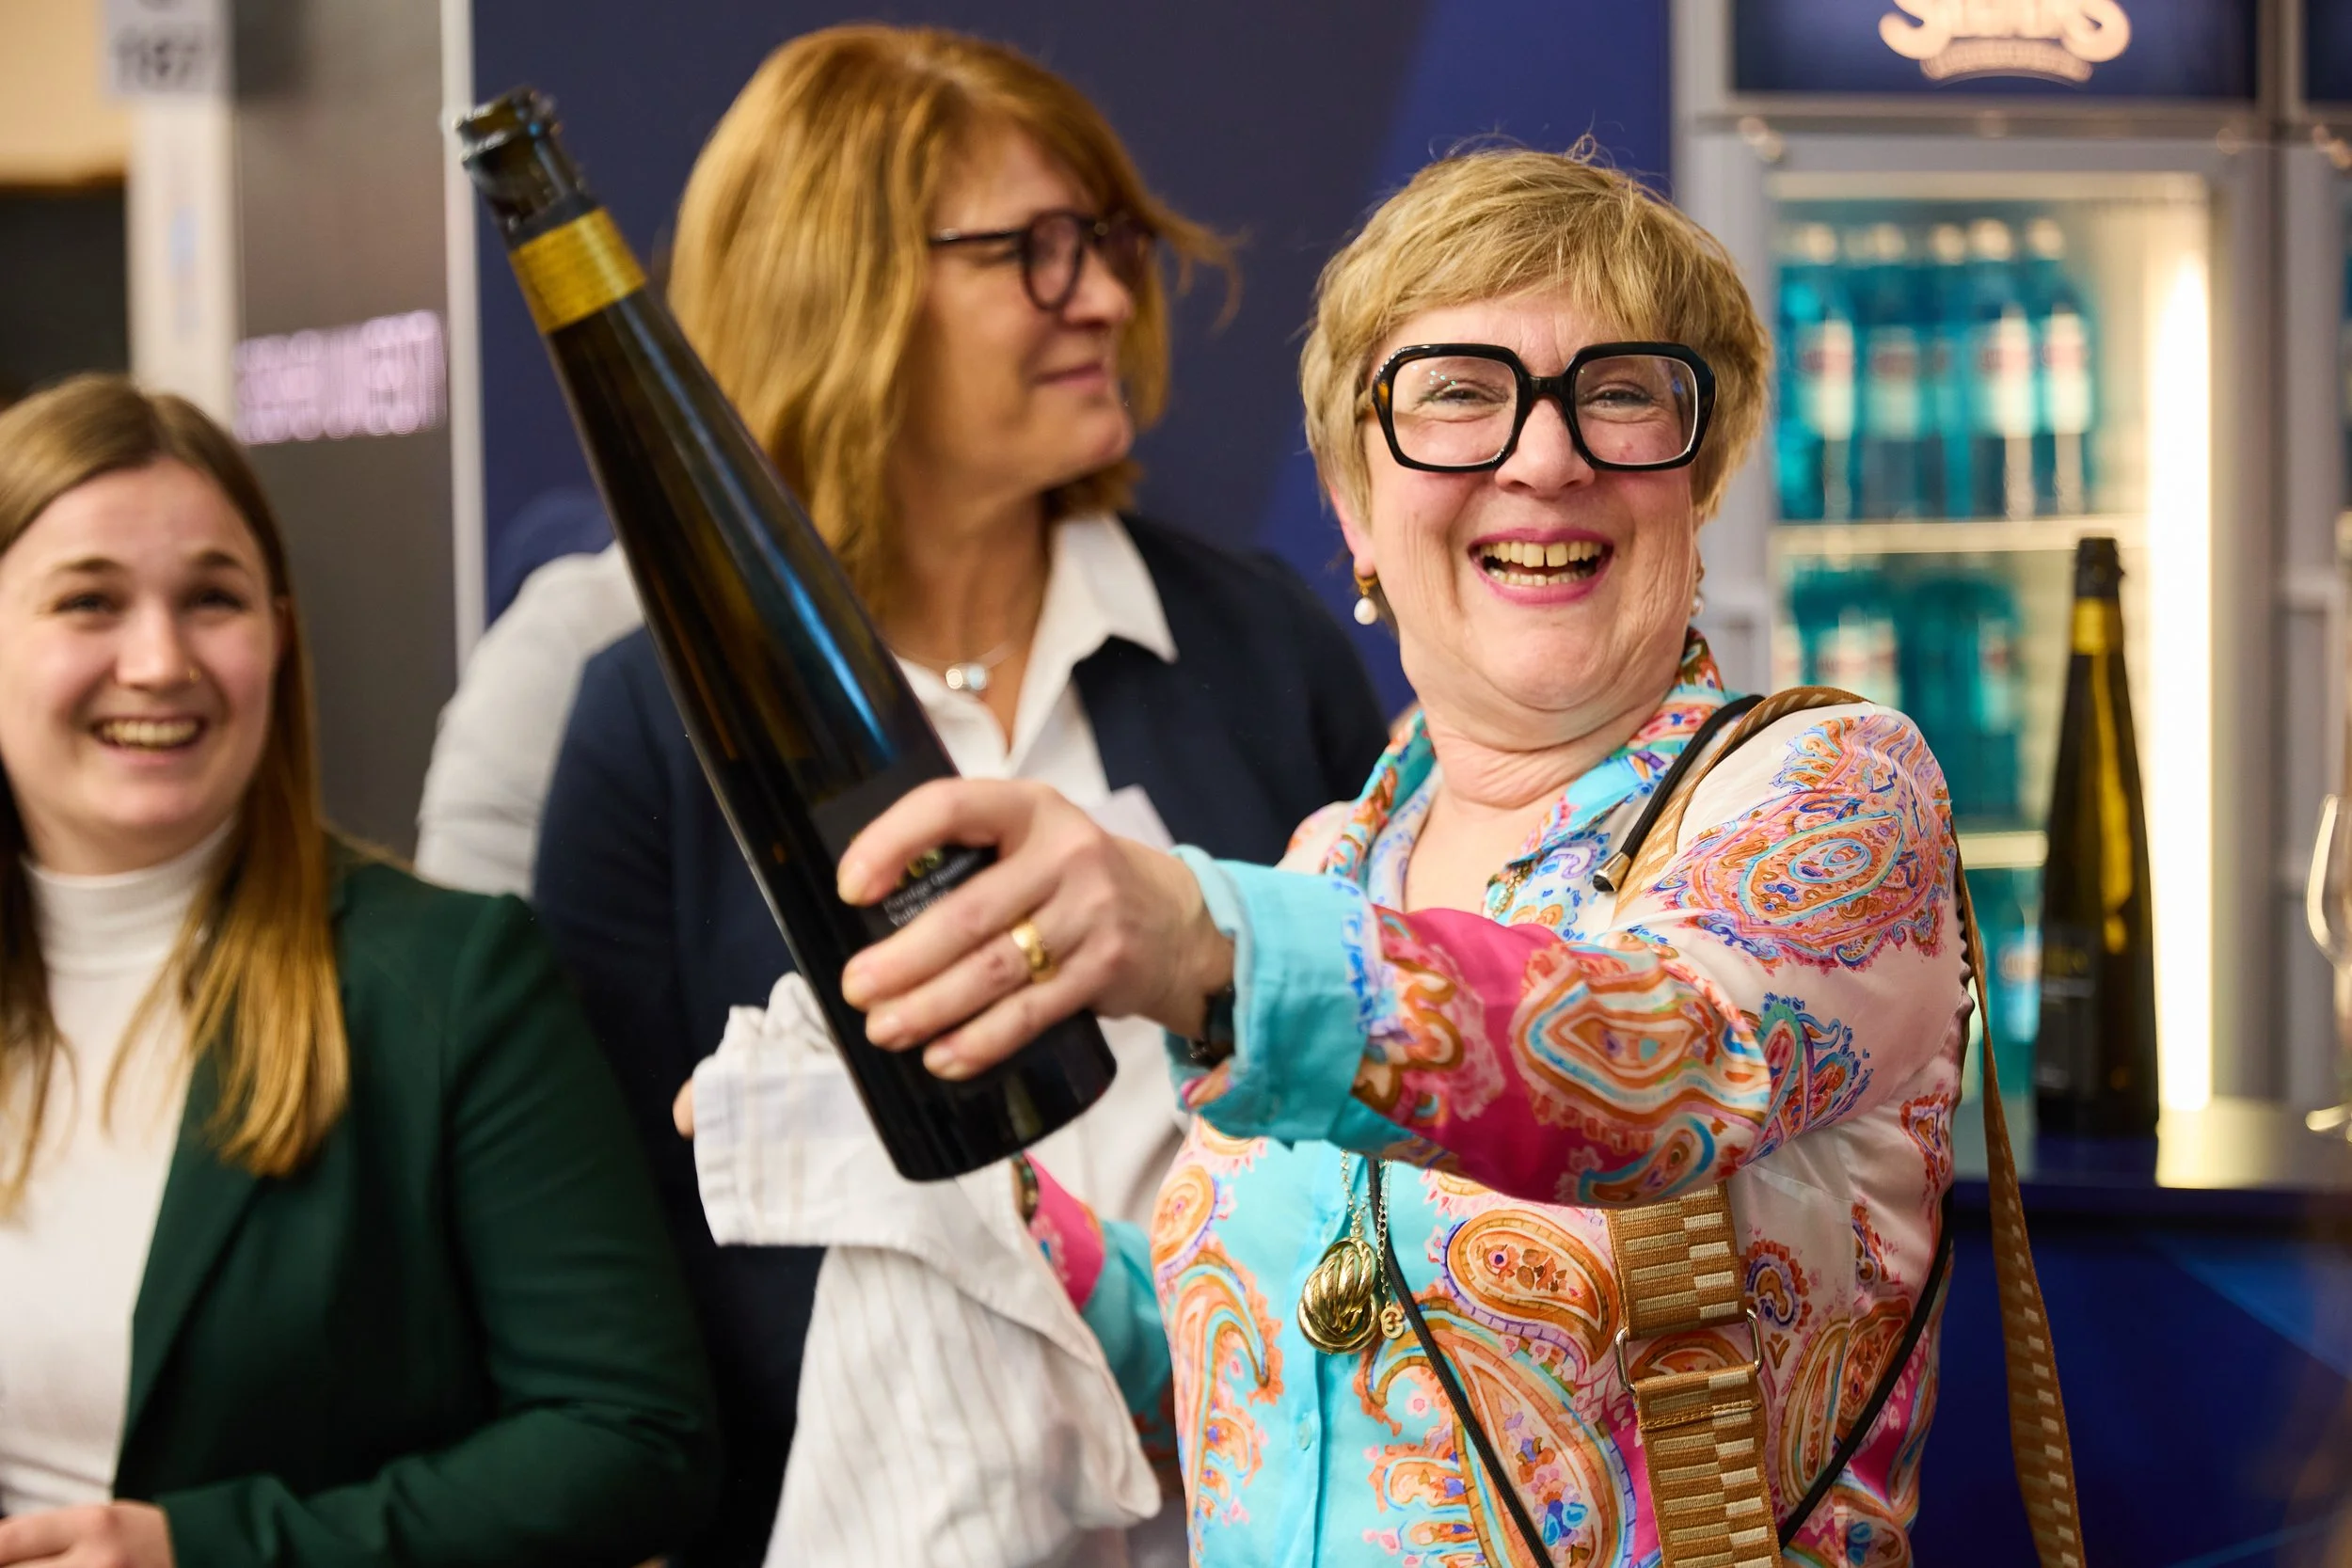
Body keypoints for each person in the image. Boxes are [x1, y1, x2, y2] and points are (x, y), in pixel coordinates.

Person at [833, 146, 1967, 1564]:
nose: (1543, 457)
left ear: (1705, 468)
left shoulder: (1830, 789)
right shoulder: (1333, 860)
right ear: (1353, 504)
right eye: (1457, 395)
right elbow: (1255, 1373)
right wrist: (961, 1187)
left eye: (1621, 393)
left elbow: (1659, 1060)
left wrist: (1200, 939)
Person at [524, 25, 1391, 1567]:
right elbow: (637, 1260)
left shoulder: (1258, 647)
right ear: (835, 285)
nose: (1105, 297)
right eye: (1032, 252)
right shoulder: (654, 730)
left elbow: (1384, 1083)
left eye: (1106, 242)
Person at [0, 375, 718, 1566]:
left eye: (213, 599)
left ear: (279, 633)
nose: (159, 659)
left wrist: (208, 1551)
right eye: (90, 602)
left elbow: (635, 1436)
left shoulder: (449, 984)